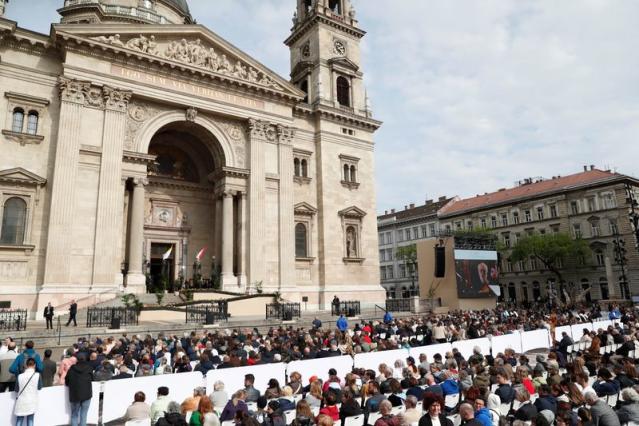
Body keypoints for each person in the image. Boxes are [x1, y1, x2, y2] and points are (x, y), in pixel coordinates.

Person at [65, 352, 93, 426]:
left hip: (75, 395)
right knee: (83, 415)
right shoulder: (89, 368)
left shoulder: (71, 369)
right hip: (86, 395)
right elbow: (92, 378)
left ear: (77, 360)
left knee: (74, 415)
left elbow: (67, 381)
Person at [14, 357, 41, 426]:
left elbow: (16, 389)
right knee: (30, 421)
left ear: (26, 365)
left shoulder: (19, 376)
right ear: (34, 365)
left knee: (19, 420)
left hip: (21, 401)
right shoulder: (37, 375)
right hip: (32, 401)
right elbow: (39, 387)